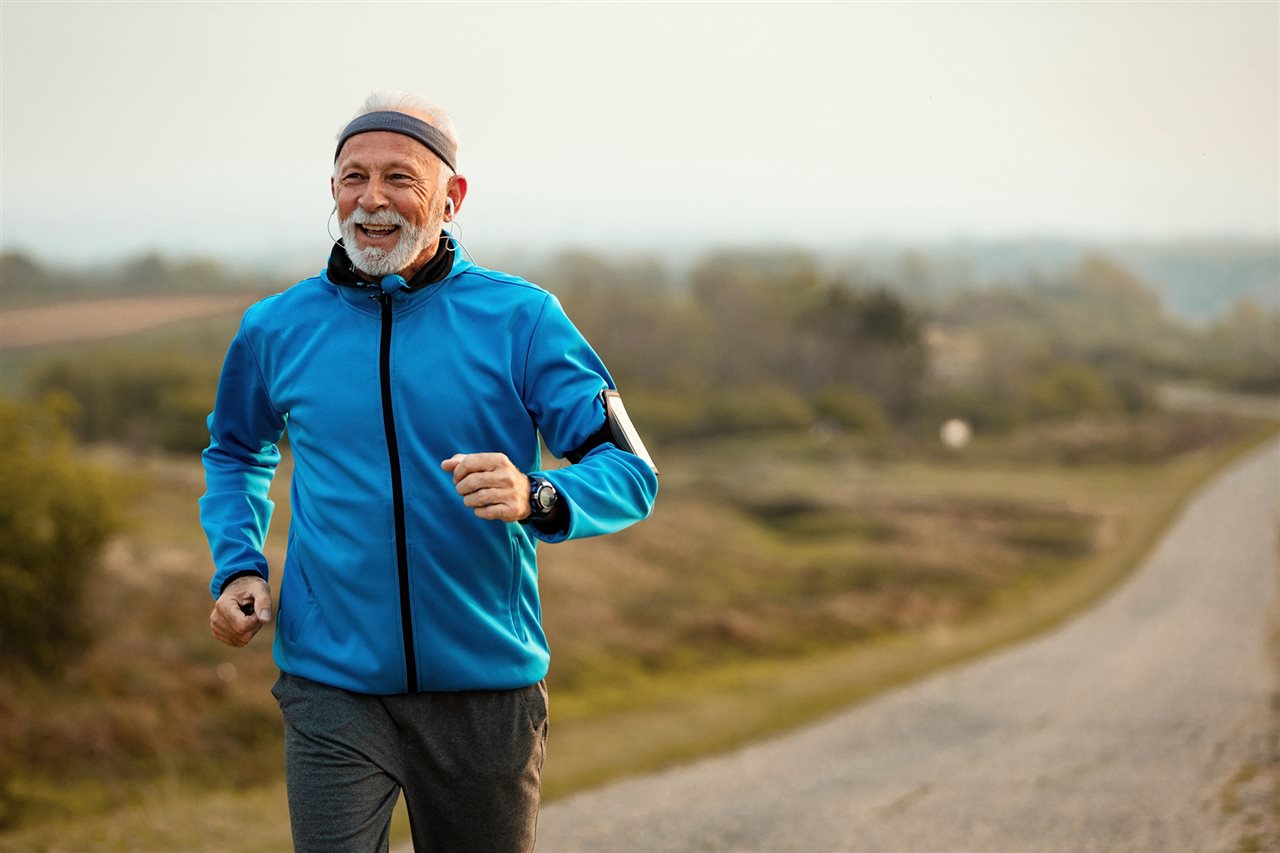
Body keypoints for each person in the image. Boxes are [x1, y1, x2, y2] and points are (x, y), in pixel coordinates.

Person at [201, 89, 658, 853]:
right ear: (334, 191)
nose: (372, 200)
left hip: (486, 687)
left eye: (400, 178)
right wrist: (238, 565)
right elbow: (237, 450)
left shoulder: (524, 318)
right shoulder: (274, 328)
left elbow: (630, 470)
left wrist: (539, 493)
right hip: (331, 681)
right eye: (354, 177)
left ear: (452, 198)